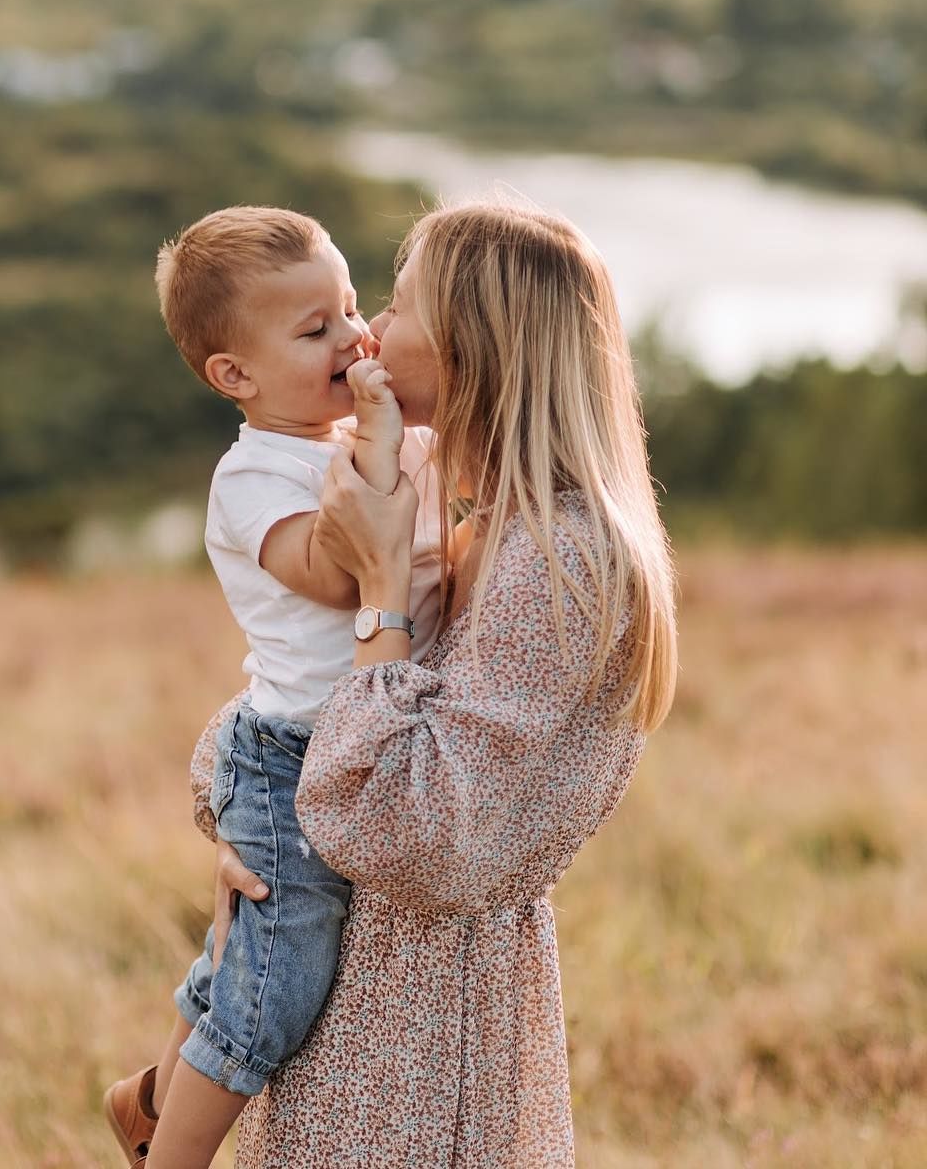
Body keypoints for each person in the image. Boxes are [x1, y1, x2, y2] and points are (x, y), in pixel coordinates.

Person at [138, 196, 678, 1167]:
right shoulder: (482, 523)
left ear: (476, 340)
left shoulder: (560, 561)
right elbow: (298, 699)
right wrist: (243, 820)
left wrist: (383, 583)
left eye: (395, 304)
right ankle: (157, 1107)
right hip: (361, 999)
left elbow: (398, 830)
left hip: (427, 1034)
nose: (369, 333)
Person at [104, 206, 470, 1168]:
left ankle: (150, 1099)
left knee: (258, 950)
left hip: (365, 728)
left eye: (351, 309)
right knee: (281, 980)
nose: (354, 339)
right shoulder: (255, 476)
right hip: (291, 760)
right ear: (236, 376)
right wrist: (384, 448)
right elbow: (339, 569)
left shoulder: (368, 434)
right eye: (316, 331)